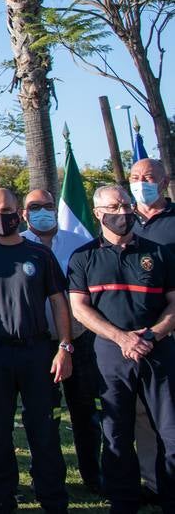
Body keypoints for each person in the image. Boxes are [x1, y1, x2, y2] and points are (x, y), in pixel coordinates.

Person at [0, 187, 71, 514]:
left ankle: (53, 499)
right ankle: (3, 499)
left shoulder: (40, 254)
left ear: (19, 212)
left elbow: (59, 302)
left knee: (45, 431)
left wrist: (64, 346)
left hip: (38, 352)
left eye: (8, 210)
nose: (2, 217)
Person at [68, 183, 175, 514]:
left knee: (171, 432)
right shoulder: (83, 257)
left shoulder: (158, 253)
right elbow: (79, 308)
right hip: (111, 354)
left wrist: (152, 335)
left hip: (157, 350)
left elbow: (173, 303)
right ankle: (124, 501)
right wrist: (122, 338)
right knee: (116, 433)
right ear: (98, 213)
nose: (124, 212)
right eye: (114, 208)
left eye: (127, 206)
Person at [22, 188, 102, 495]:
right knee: (43, 415)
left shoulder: (80, 244)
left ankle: (93, 475)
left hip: (79, 340)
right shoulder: (16, 244)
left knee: (85, 411)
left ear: (56, 208)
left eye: (48, 205)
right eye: (34, 207)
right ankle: (46, 475)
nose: (42, 211)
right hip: (39, 343)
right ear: (24, 214)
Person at [132, 158, 175, 498]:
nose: (141, 182)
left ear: (164, 182)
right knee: (143, 415)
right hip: (135, 338)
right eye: (134, 177)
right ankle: (153, 481)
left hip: (168, 329)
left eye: (148, 177)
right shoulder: (124, 222)